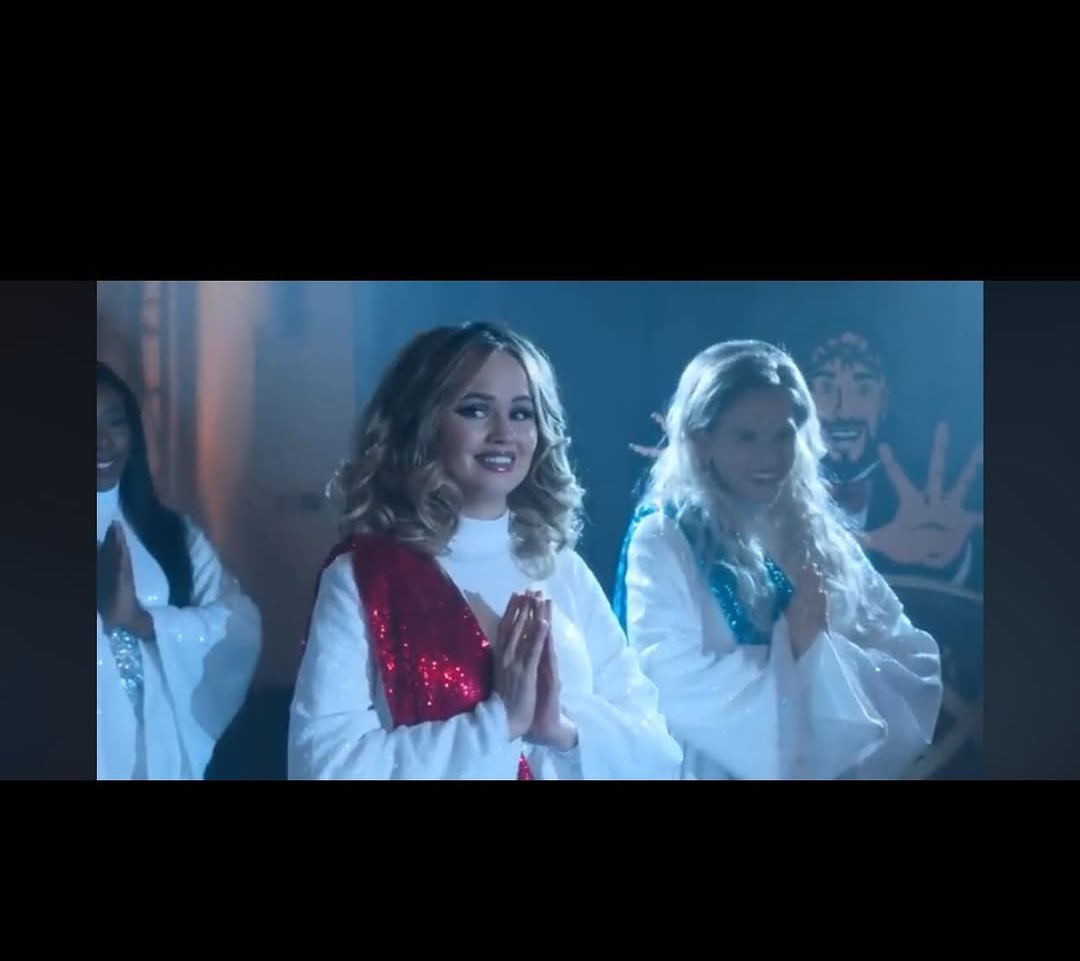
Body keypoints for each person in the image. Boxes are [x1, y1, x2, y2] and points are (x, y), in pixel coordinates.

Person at [288, 321, 682, 780]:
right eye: (475, 410)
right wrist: (499, 723)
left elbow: (657, 751)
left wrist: (561, 731)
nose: (503, 433)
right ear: (422, 424)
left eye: (522, 413)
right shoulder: (361, 578)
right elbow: (324, 766)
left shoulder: (560, 568)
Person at [615, 340, 942, 781]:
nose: (768, 456)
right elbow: (668, 679)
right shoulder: (665, 537)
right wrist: (798, 656)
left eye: (782, 435)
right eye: (747, 437)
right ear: (702, 440)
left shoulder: (816, 530)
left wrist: (819, 656)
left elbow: (909, 656)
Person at [97, 362, 262, 780]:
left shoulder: (170, 533)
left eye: (115, 423)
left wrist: (142, 620)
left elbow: (239, 623)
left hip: (160, 754)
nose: (102, 442)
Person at [806, 330, 982, 589]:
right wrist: (873, 542)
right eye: (826, 388)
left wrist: (953, 560)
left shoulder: (928, 496)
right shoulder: (768, 486)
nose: (843, 410)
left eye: (863, 389)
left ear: (885, 402)